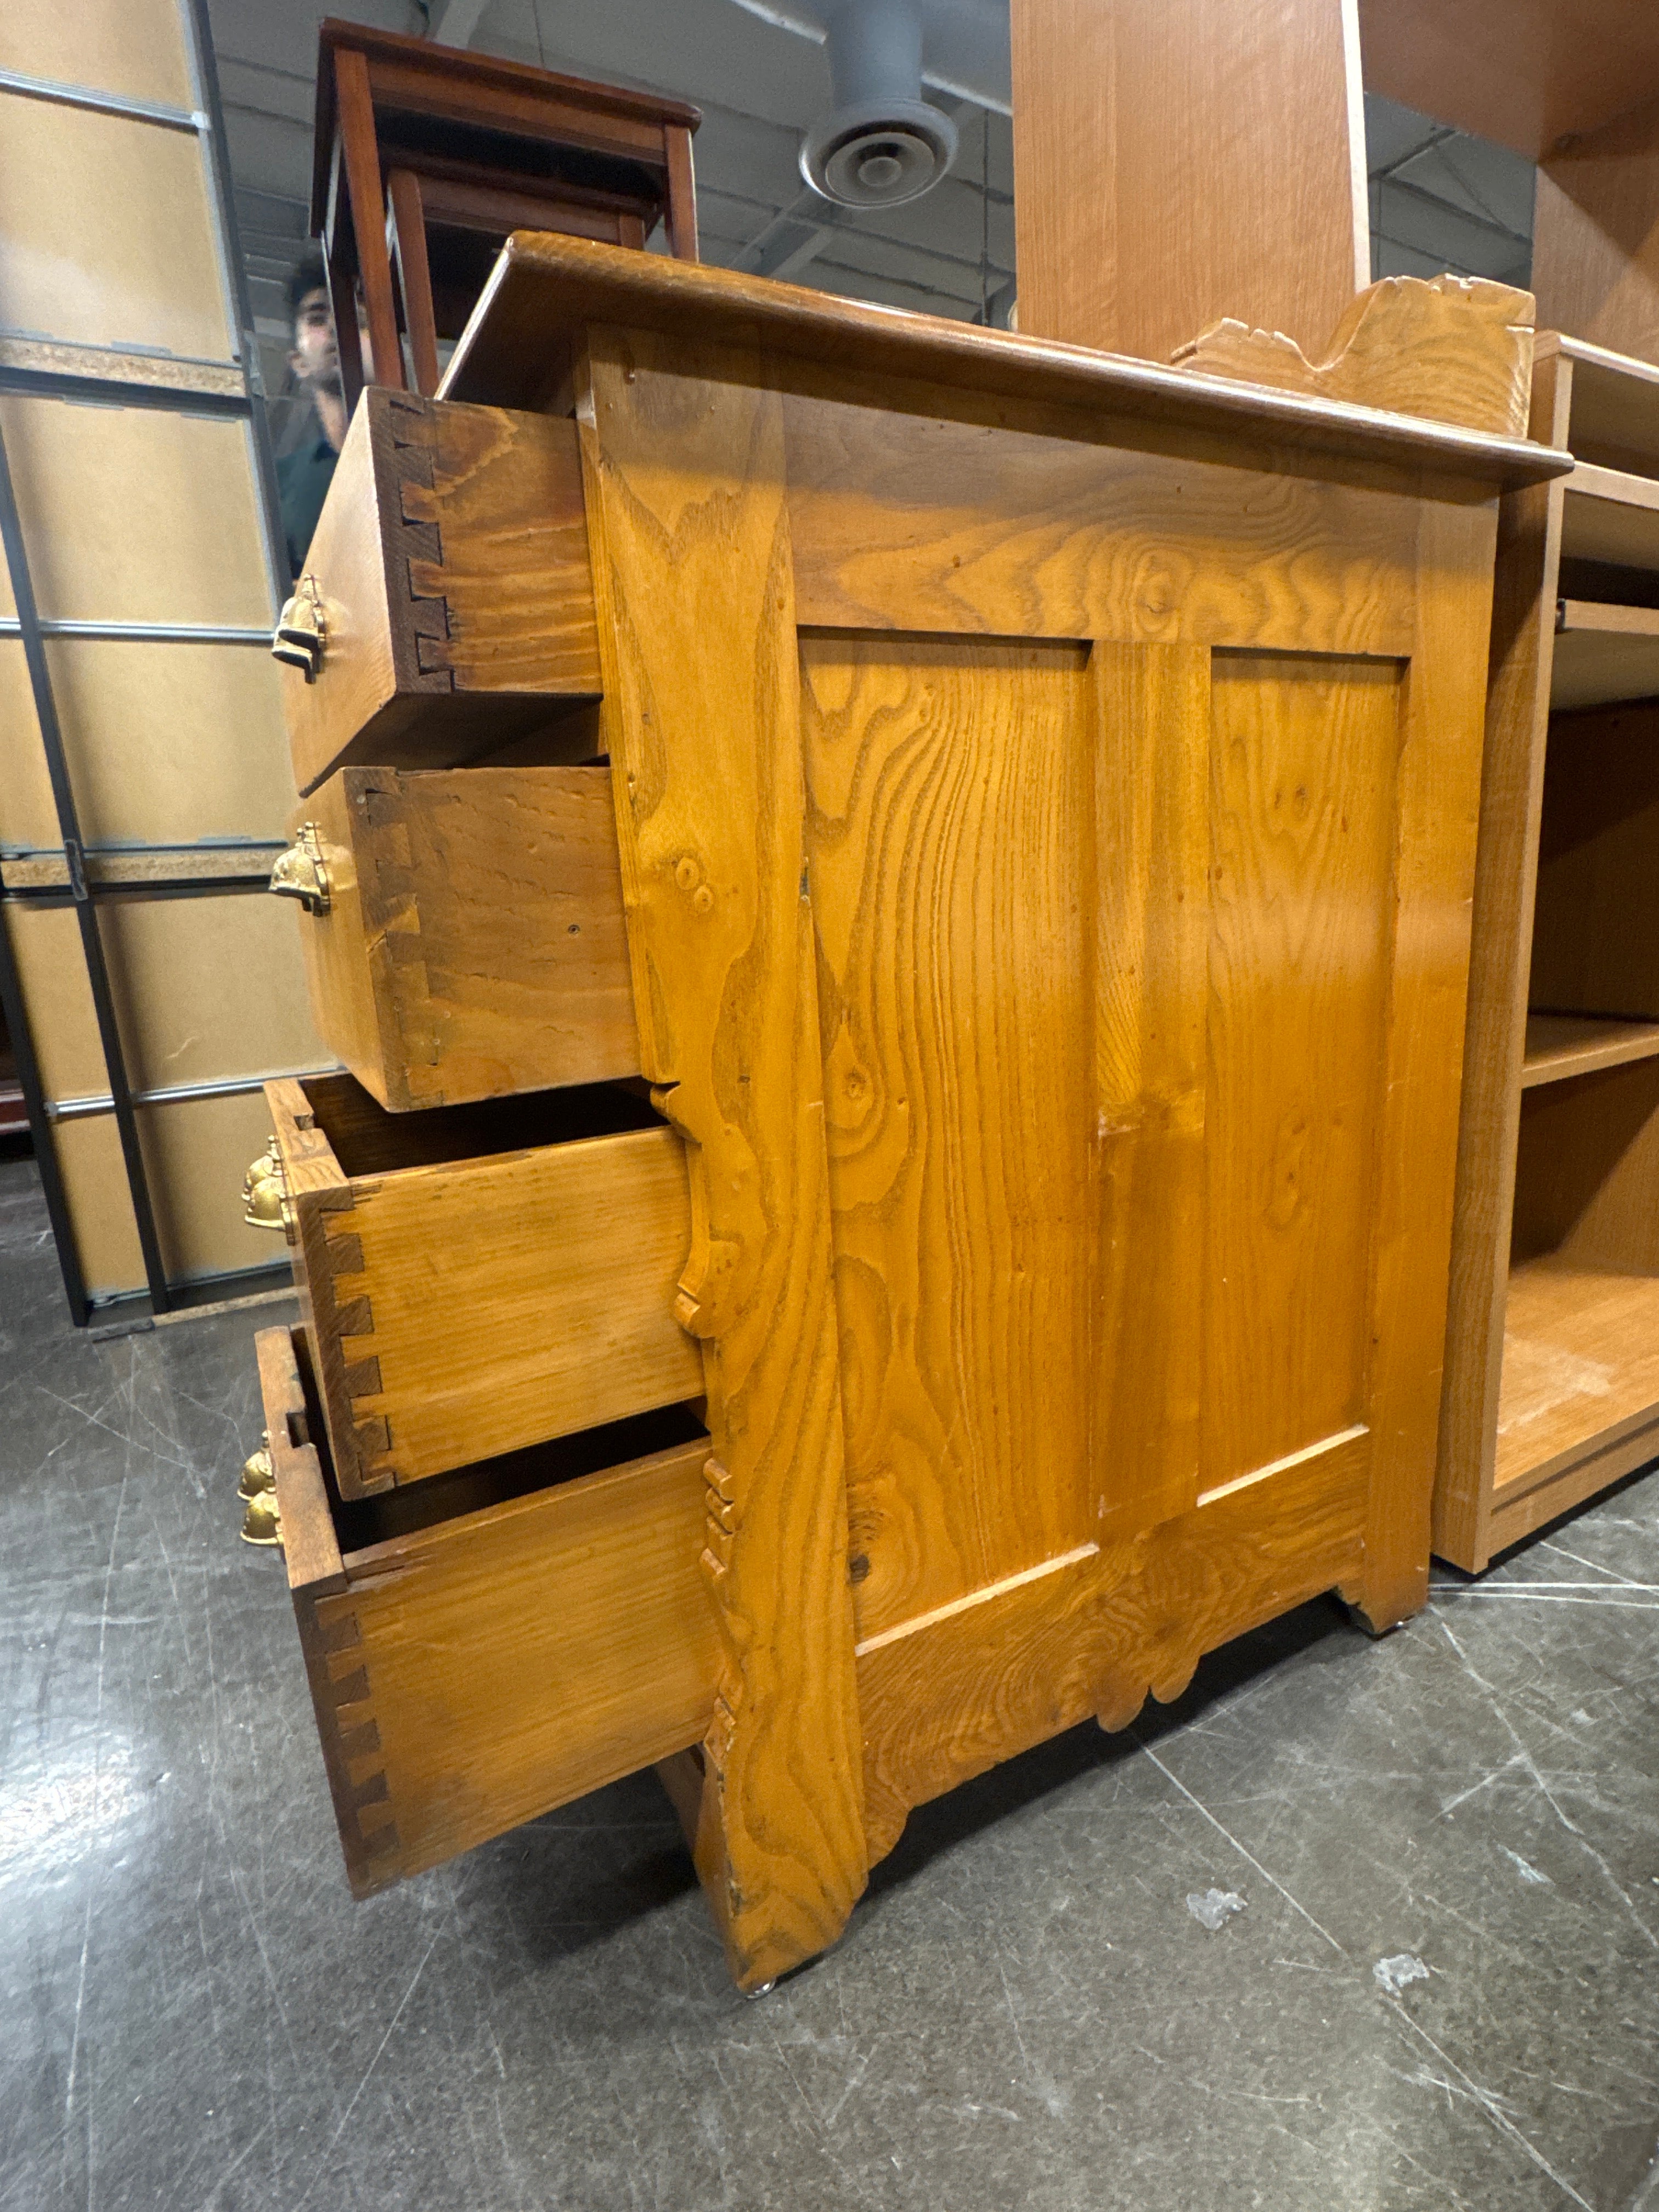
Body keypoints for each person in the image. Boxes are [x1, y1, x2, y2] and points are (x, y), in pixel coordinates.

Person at [276, 247, 350, 579]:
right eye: (318, 318)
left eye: (352, 310)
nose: (336, 325)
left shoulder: (430, 448)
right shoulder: (279, 484)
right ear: (298, 363)